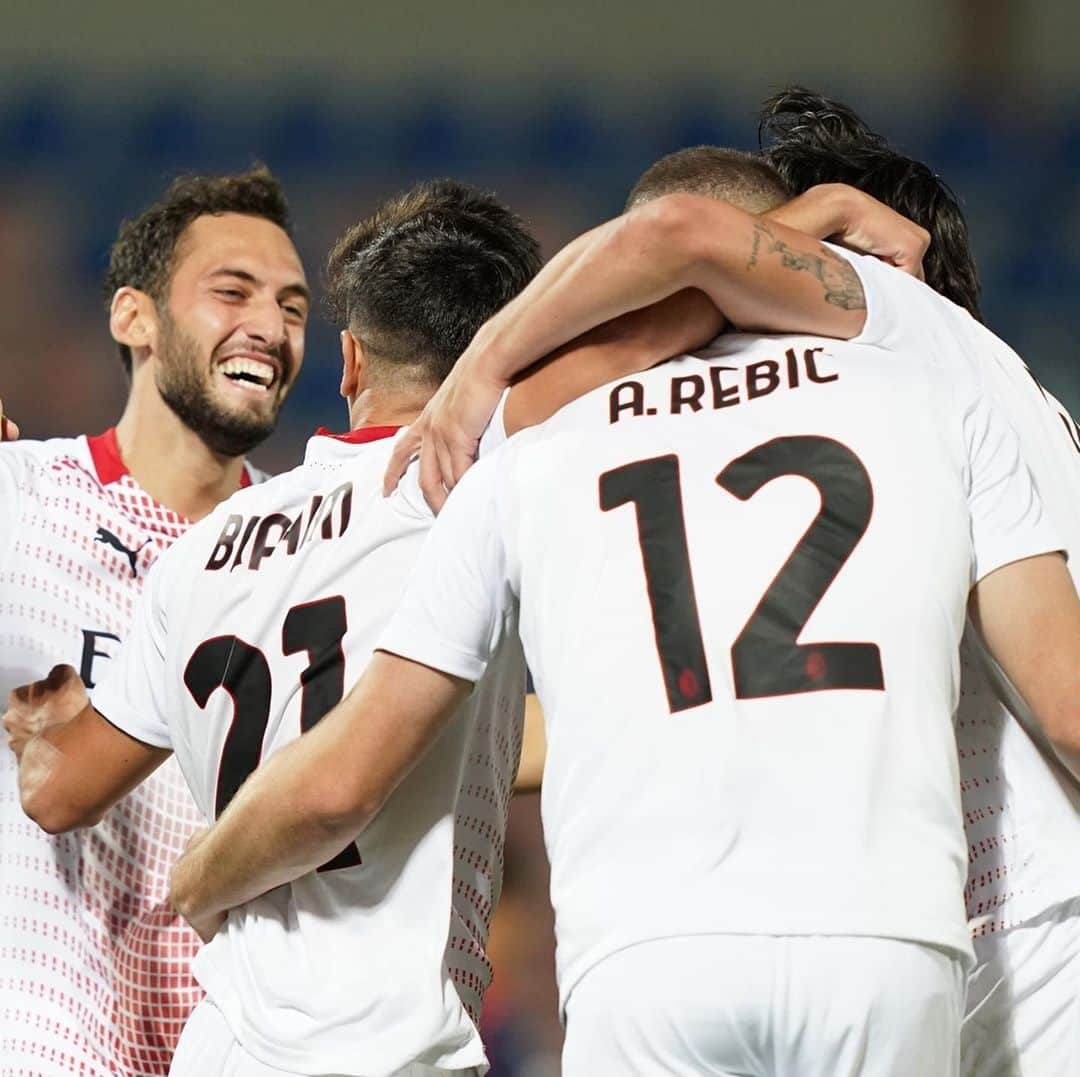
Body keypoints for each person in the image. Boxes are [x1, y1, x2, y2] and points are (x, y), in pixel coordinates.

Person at [147, 152, 1080, 1076]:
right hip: (882, 930)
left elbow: (360, 758)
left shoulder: (528, 434)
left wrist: (203, 871)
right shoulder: (921, 370)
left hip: (642, 953)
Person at [8, 179, 728, 1076]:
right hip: (387, 1047)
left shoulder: (198, 554)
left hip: (222, 1043)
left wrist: (36, 711)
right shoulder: (478, 490)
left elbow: (58, 790)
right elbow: (689, 309)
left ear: (348, 360)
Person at [757, 87, 1080, 1077]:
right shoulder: (881, 424)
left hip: (1039, 932)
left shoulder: (973, 390)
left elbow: (1069, 708)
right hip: (934, 939)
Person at [0, 167, 309, 1077]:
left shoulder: (313, 553)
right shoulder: (18, 501)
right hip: (39, 1036)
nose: (272, 326)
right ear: (134, 317)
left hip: (233, 1049)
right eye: (233, 291)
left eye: (293, 306)